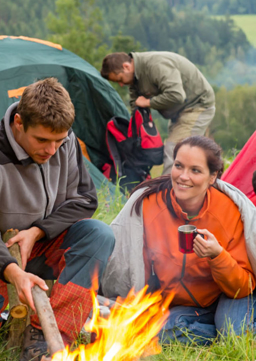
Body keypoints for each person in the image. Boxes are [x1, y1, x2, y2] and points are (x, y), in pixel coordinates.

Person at [0, 78, 115, 361]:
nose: (51, 150)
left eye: (59, 141)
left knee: (99, 234)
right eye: (42, 140)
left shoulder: (65, 142)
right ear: (19, 122)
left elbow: (85, 199)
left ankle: (44, 340)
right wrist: (13, 272)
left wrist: (37, 231)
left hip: (47, 242)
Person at [102, 136, 256, 345]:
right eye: (179, 166)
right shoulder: (150, 205)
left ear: (212, 177)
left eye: (195, 170)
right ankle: (212, 330)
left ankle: (225, 328)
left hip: (229, 296)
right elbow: (133, 266)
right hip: (183, 306)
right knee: (160, 332)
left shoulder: (229, 211)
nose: (183, 177)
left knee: (233, 335)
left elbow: (243, 286)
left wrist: (217, 256)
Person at [100, 51, 215, 175]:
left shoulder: (156, 66)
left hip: (197, 106)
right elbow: (136, 105)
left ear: (126, 67)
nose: (121, 85)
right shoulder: (135, 77)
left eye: (120, 79)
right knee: (186, 152)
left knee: (175, 150)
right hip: (178, 112)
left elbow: (176, 95)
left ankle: (165, 192)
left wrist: (148, 103)